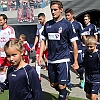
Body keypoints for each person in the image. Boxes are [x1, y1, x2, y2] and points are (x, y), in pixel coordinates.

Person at [38, 1, 79, 100]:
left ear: (61, 10)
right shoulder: (48, 25)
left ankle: (64, 93)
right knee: (53, 84)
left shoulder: (67, 25)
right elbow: (43, 41)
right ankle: (65, 91)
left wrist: (76, 61)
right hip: (51, 59)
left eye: (55, 9)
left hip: (63, 59)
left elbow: (74, 44)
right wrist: (40, 56)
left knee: (61, 85)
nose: (53, 12)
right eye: (51, 10)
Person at [65, 8, 85, 89]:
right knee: (68, 67)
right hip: (68, 49)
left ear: (72, 15)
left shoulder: (78, 24)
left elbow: (83, 36)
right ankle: (68, 83)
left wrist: (87, 44)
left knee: (79, 67)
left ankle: (81, 78)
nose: (66, 17)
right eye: (65, 15)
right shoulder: (65, 24)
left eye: (68, 15)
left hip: (78, 48)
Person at [81, 36, 100, 100]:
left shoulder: (98, 54)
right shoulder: (86, 53)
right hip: (87, 77)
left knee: (93, 97)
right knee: (88, 95)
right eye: (87, 46)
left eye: (91, 47)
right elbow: (84, 63)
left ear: (95, 45)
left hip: (96, 77)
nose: (89, 48)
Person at [32, 13, 48, 80]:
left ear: (44, 18)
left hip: (47, 46)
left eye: (41, 19)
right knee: (37, 60)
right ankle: (38, 76)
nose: (40, 21)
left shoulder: (48, 25)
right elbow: (37, 36)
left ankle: (51, 76)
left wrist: (46, 45)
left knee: (49, 61)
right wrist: (34, 45)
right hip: (39, 45)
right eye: (39, 19)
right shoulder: (38, 26)